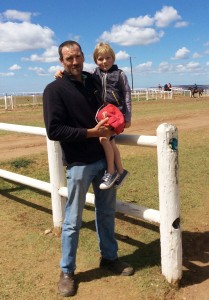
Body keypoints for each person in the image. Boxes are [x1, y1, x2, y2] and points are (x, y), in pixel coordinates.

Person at [43, 40, 134, 298]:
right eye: (68, 58)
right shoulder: (54, 89)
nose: (74, 62)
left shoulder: (94, 82)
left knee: (106, 212)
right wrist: (90, 133)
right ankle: (67, 271)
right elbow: (54, 130)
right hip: (79, 163)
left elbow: (111, 100)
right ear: (61, 61)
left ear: (83, 57)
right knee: (72, 220)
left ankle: (109, 257)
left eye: (77, 57)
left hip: (103, 161)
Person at [92, 42, 132, 190]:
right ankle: (121, 171)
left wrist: (128, 117)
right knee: (111, 142)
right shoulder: (94, 74)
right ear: (96, 60)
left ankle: (110, 172)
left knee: (103, 138)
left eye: (108, 58)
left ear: (113, 58)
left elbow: (127, 94)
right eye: (100, 59)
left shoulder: (119, 74)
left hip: (116, 114)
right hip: (103, 113)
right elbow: (80, 77)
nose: (104, 62)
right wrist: (62, 74)